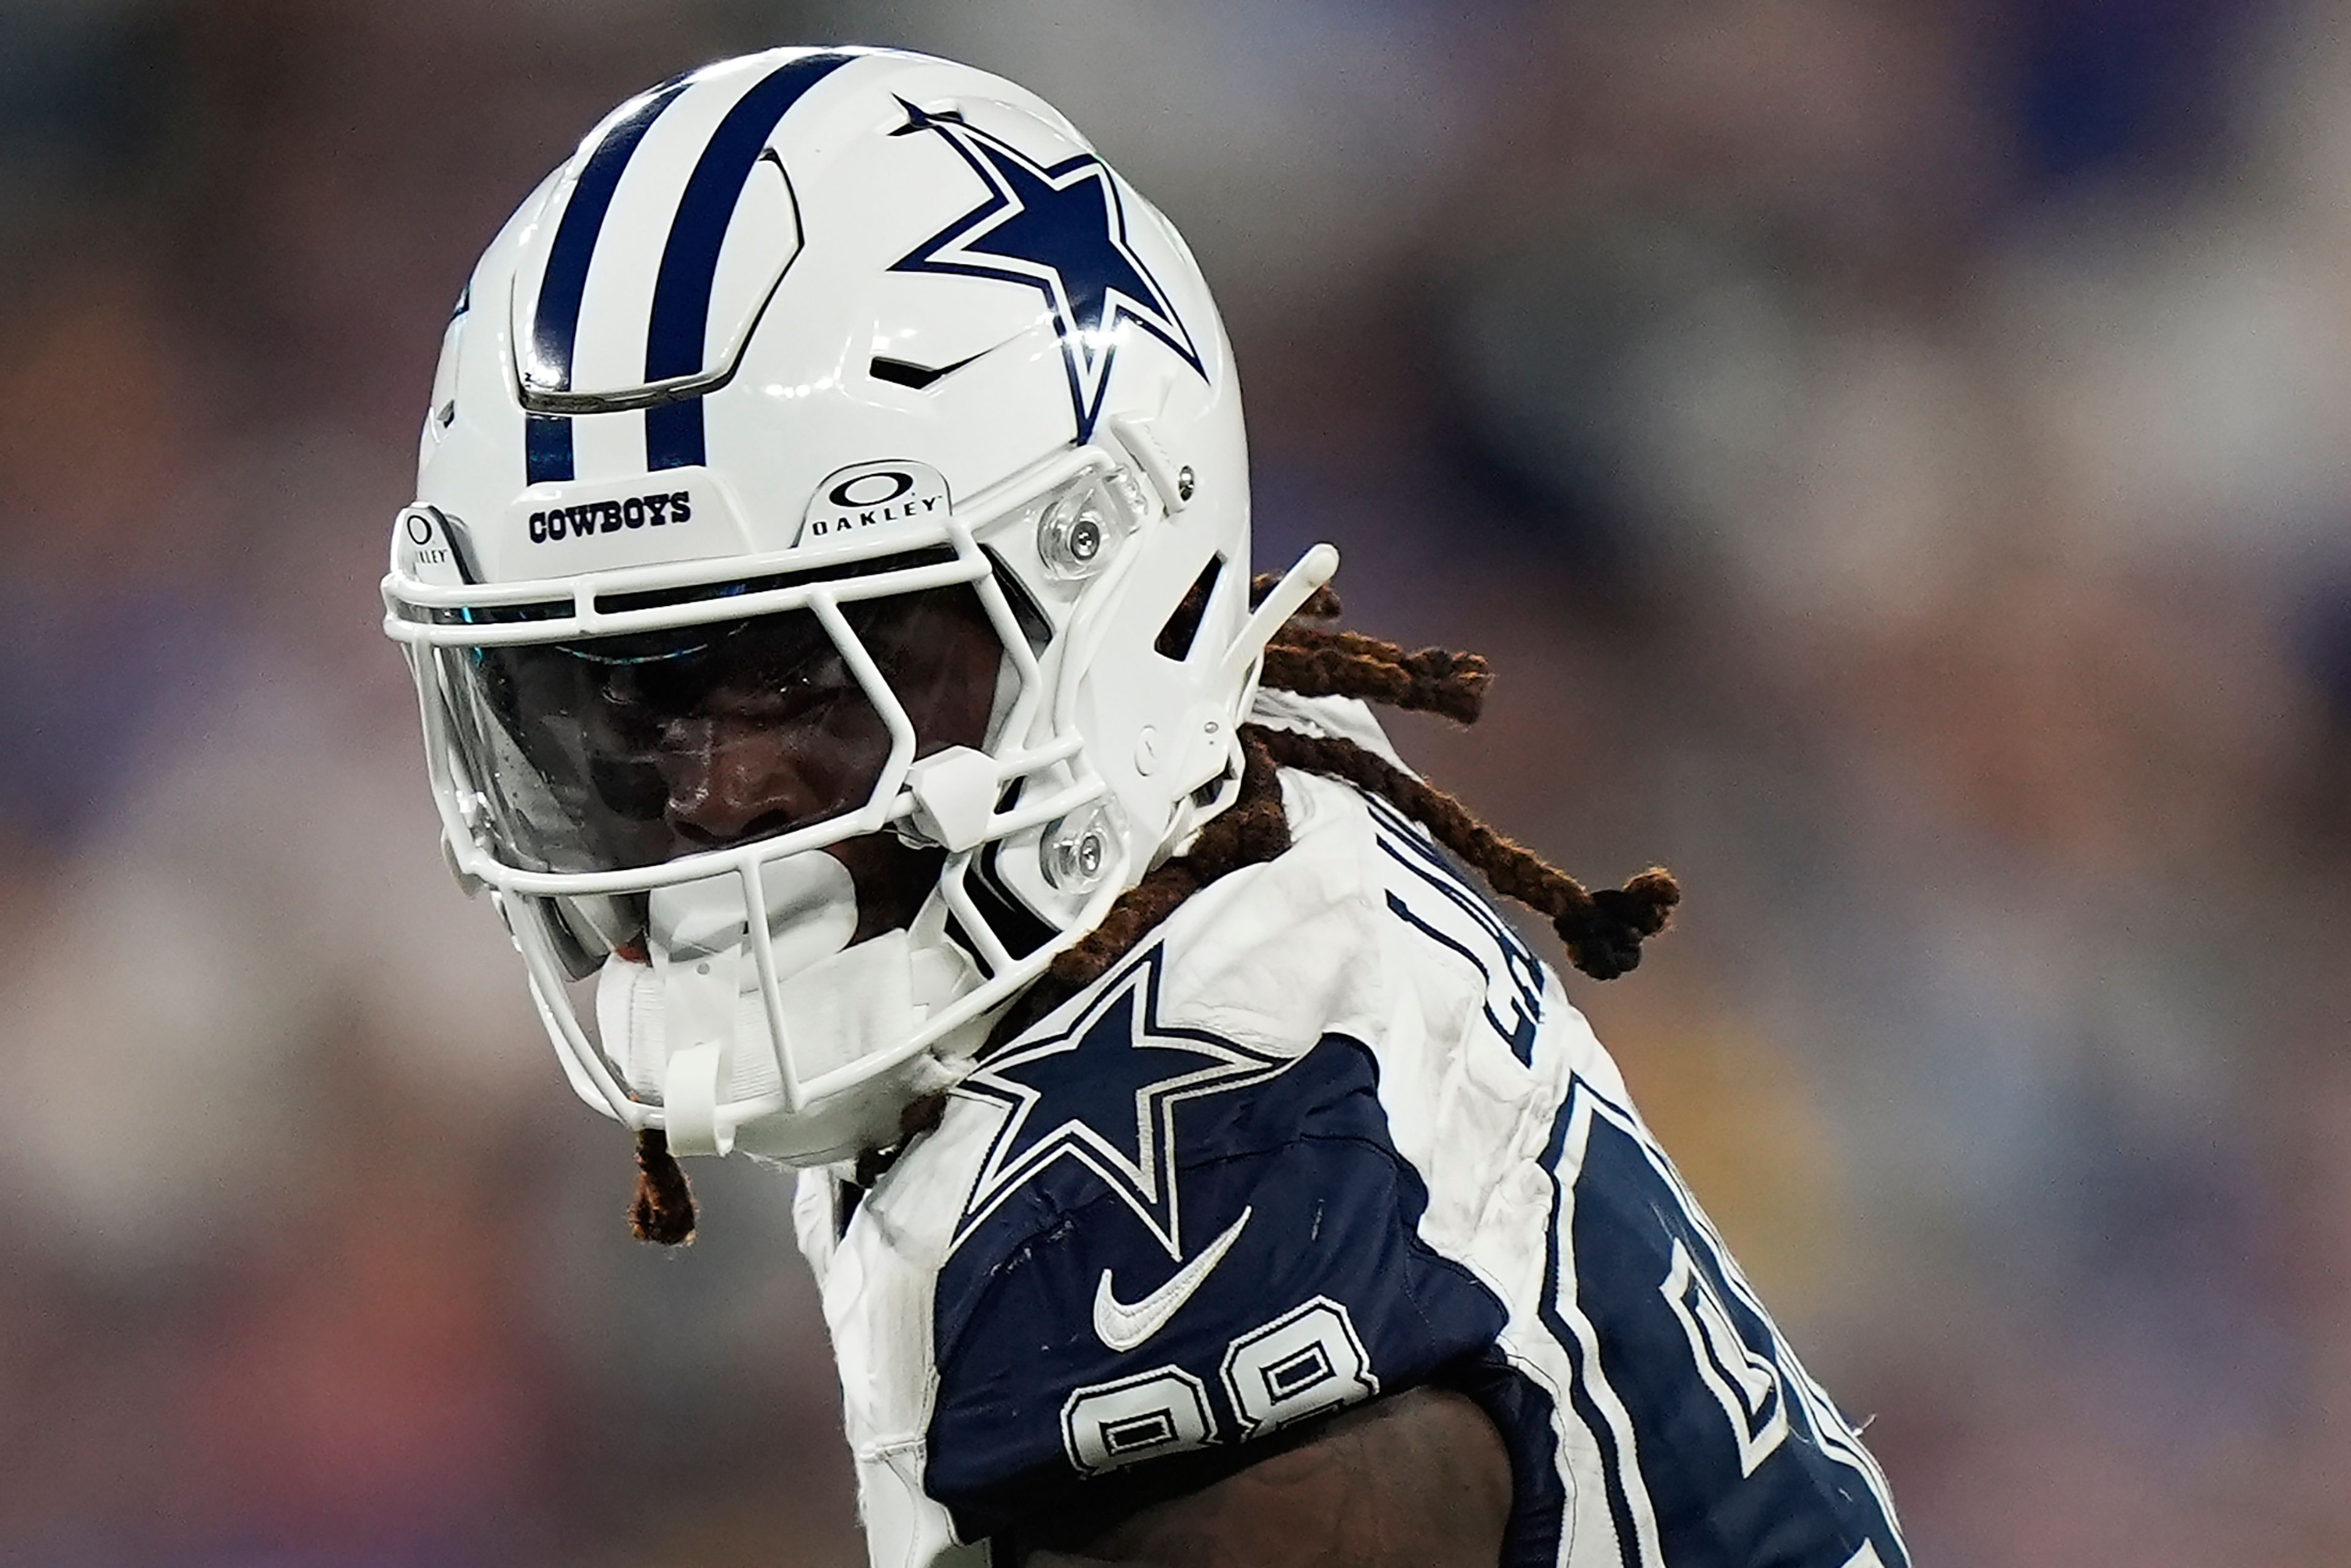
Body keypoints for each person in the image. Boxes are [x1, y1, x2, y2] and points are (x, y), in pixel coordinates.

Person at [381, 45, 1908, 1567]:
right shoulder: (1220, 856)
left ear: (1097, 582)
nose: (720, 796)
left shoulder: (1175, 1214)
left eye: (797, 673)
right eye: (628, 694)